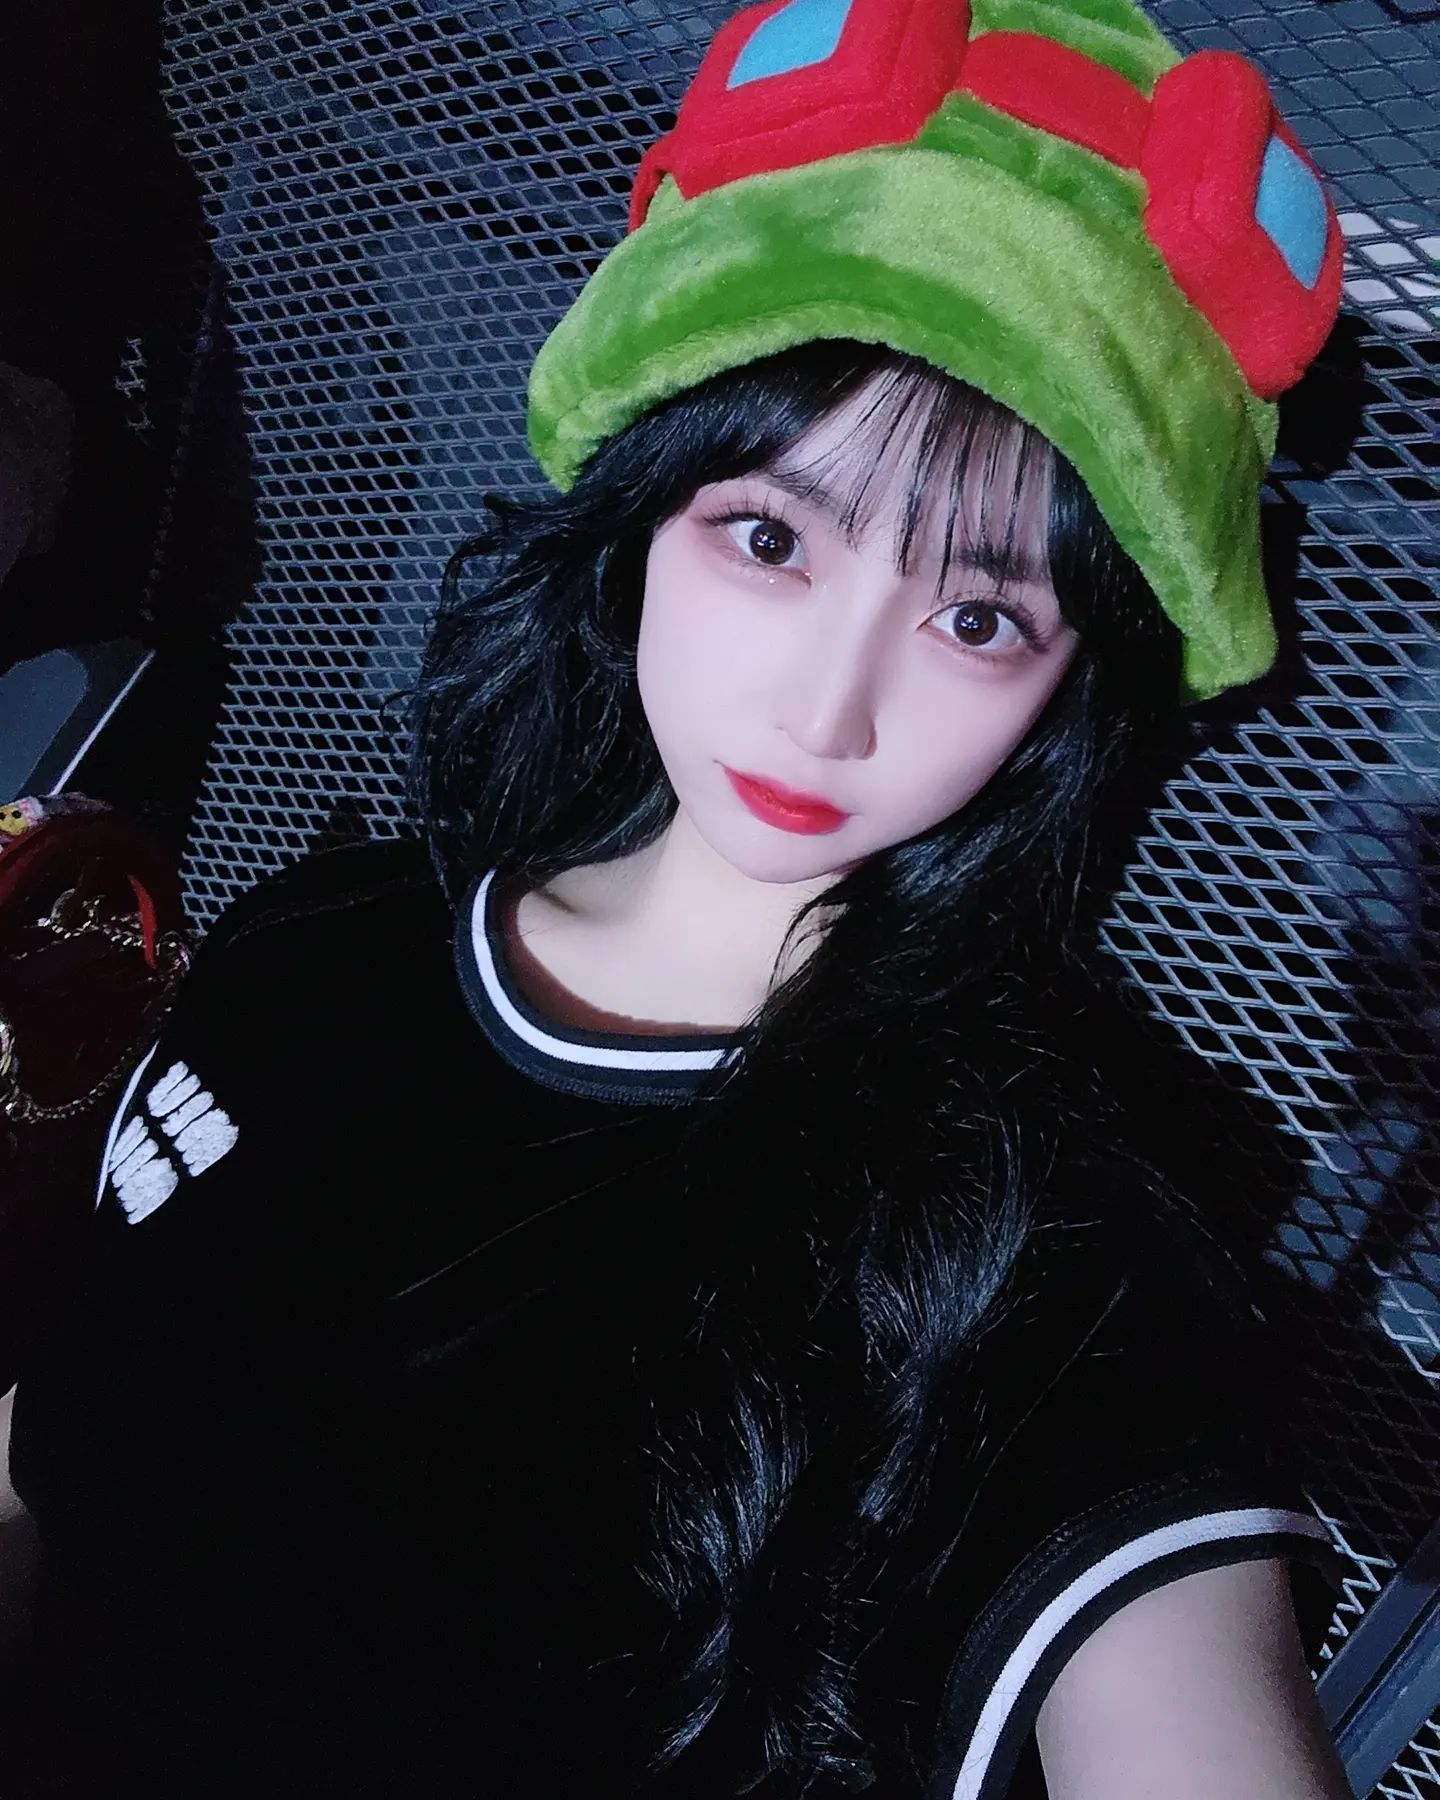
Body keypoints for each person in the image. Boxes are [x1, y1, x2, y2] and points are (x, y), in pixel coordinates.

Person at [0, 0, 1357, 1795]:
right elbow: (44, 1461)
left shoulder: (1043, 1260)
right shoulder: (311, 950)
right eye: (770, 540)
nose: (829, 709)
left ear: (1068, 691)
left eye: (977, 618)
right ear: (644, 509)